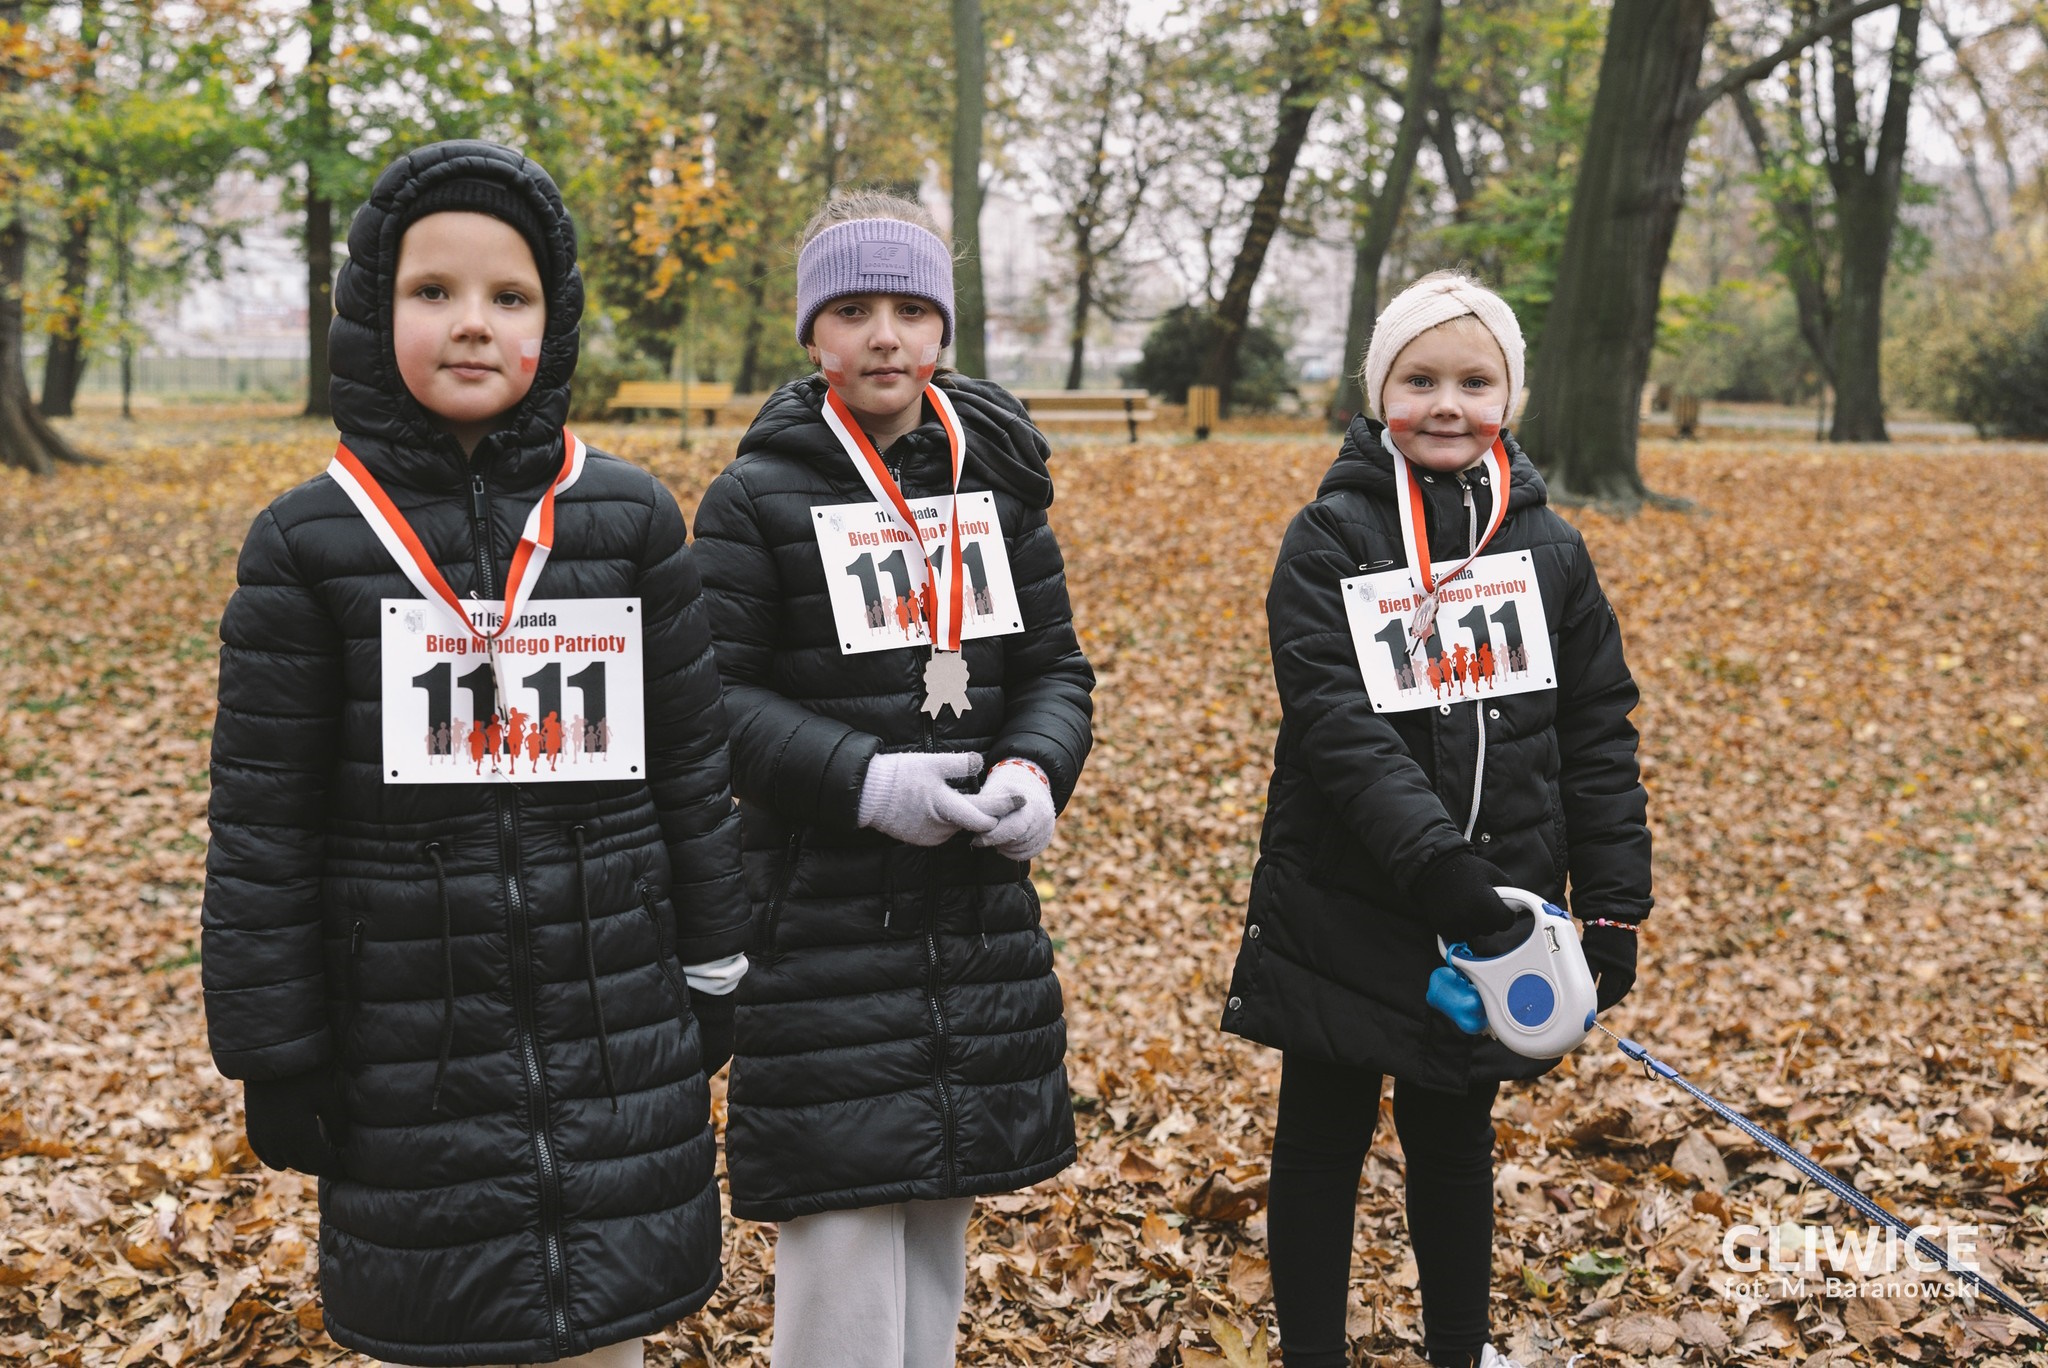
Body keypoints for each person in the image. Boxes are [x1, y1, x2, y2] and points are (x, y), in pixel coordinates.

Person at [200, 140, 751, 1368]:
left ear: (551, 328)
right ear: (369, 310)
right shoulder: (306, 543)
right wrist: (273, 1048)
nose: (471, 324)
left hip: (614, 1021)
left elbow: (692, 773)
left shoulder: (630, 521)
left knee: (607, 1335)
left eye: (510, 298)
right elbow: (263, 824)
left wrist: (714, 963)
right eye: (430, 292)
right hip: (407, 1050)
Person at [693, 189, 1095, 1368]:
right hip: (819, 918)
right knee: (842, 1226)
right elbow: (709, 702)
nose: (884, 335)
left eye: (911, 309)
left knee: (935, 1210)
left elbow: (1054, 667)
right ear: (811, 334)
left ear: (943, 333)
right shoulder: (753, 498)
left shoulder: (997, 487)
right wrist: (869, 782)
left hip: (969, 921)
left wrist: (1035, 769)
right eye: (854, 308)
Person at [1220, 271, 1652, 1368]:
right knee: (1319, 1135)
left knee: (1452, 1138)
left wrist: (1607, 909)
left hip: (1497, 908)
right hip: (1348, 895)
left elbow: (1595, 728)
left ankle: (1457, 1351)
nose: (1446, 403)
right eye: (1418, 379)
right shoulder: (1328, 536)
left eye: (1473, 379)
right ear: (1378, 394)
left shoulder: (1548, 550)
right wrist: (1441, 875)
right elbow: (1337, 730)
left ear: (1510, 393)